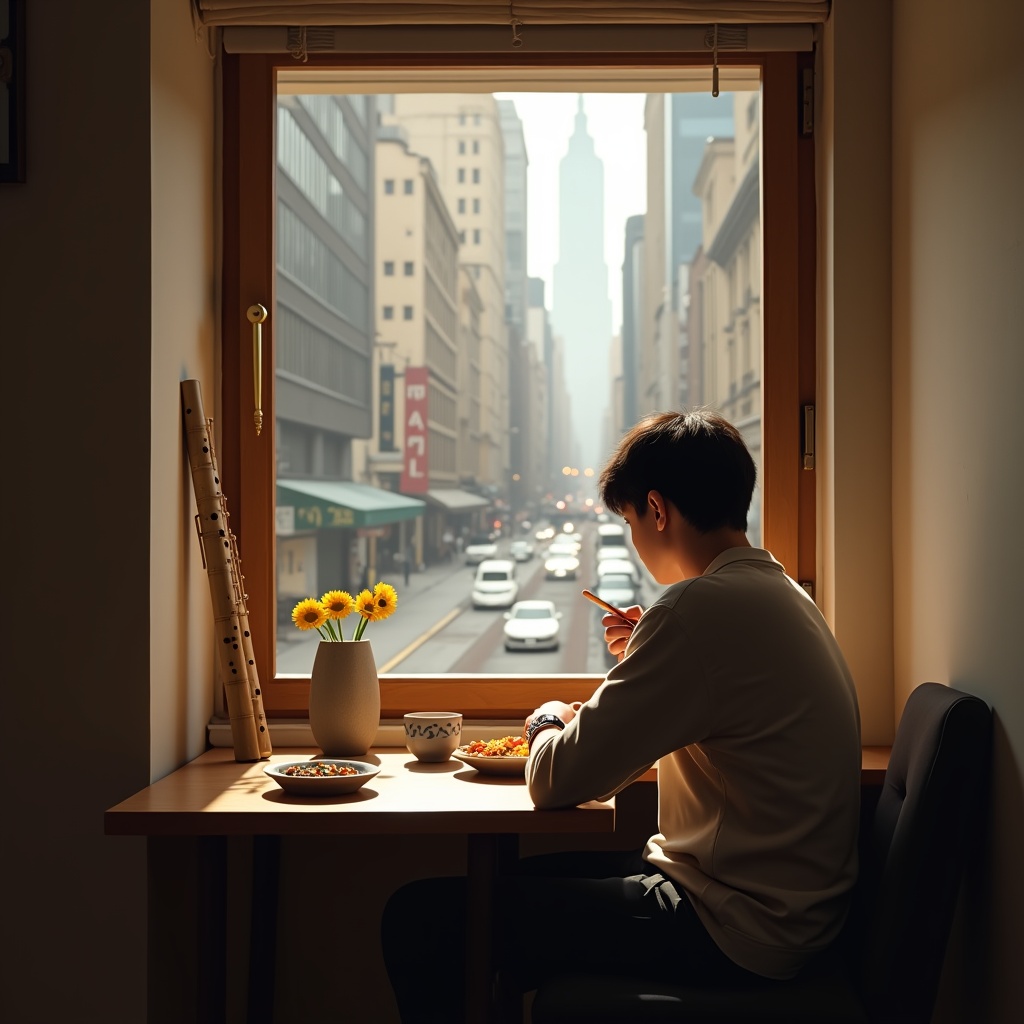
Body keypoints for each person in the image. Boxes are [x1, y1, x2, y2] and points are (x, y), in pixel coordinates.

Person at [381, 410, 862, 1023]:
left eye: (632, 521)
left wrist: (547, 720)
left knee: (424, 918)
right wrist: (653, 654)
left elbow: (556, 779)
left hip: (734, 928)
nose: (635, 541)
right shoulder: (783, 593)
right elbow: (719, 700)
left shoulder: (695, 610)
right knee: (503, 893)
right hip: (789, 911)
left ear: (656, 511)